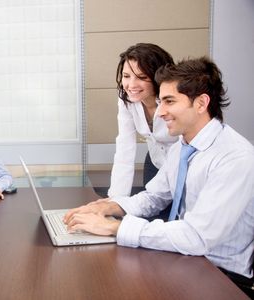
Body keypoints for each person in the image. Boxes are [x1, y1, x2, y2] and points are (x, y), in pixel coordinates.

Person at [64, 57, 254, 296]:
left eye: (169, 101)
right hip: (188, 258)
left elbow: (197, 237)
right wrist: (108, 207)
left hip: (221, 275)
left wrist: (115, 227)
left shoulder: (233, 157)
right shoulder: (183, 146)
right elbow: (155, 196)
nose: (160, 112)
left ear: (201, 103)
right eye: (160, 101)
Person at [109, 43, 178, 199]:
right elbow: (124, 148)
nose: (131, 85)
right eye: (126, 76)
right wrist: (115, 202)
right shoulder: (126, 99)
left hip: (182, 165)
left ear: (158, 77)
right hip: (155, 161)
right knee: (151, 210)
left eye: (141, 77)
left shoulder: (176, 99)